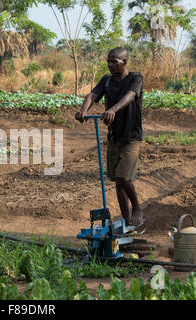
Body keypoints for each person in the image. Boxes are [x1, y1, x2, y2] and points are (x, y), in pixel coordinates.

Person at [75, 47, 144, 226]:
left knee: (123, 176)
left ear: (125, 62)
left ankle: (137, 207)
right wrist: (84, 110)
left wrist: (112, 109)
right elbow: (93, 95)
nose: (110, 64)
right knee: (117, 181)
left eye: (114, 61)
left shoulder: (135, 78)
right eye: (108, 61)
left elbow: (130, 96)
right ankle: (127, 222)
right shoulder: (107, 81)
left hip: (131, 137)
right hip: (114, 137)